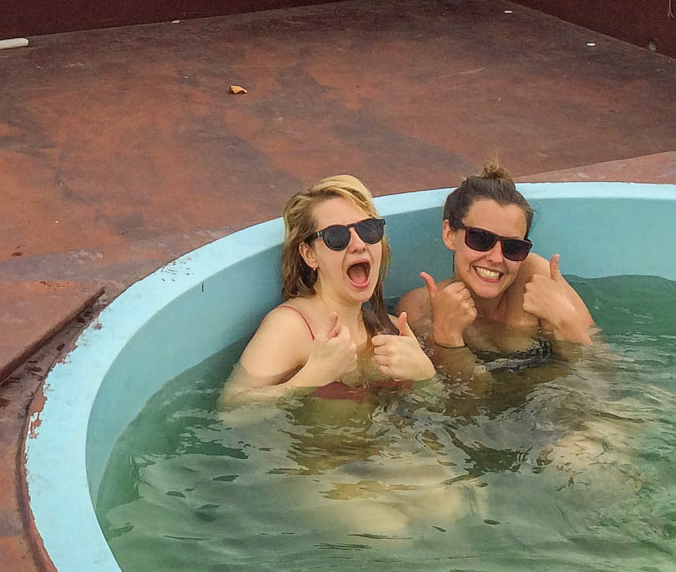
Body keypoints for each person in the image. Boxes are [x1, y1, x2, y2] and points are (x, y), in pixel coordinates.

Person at [222, 174, 436, 409]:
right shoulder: (291, 328)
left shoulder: (391, 328)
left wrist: (425, 374)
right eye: (337, 236)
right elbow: (231, 412)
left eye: (369, 229)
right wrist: (308, 380)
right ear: (309, 254)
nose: (358, 244)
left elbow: (443, 411)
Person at [397, 162, 597, 379]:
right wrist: (448, 337)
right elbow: (461, 403)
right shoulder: (420, 310)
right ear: (449, 234)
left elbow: (603, 375)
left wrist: (566, 320)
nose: (495, 258)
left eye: (513, 247)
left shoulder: (539, 282)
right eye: (481, 239)